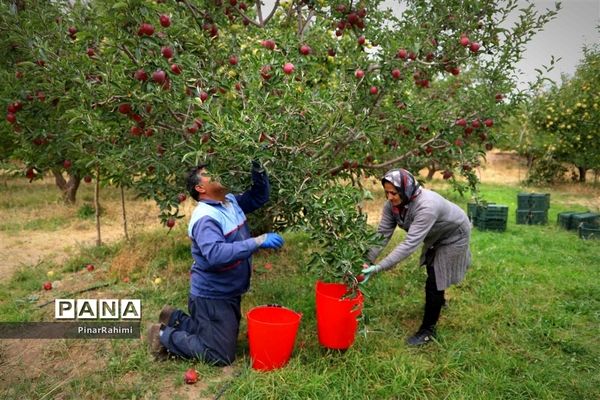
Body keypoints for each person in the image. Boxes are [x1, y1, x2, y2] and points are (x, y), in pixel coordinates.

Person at [147, 161, 284, 365]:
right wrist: (257, 241)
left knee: (223, 338)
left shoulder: (229, 202)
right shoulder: (205, 218)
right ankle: (162, 336)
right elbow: (216, 254)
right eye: (209, 173)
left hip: (228, 290)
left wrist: (259, 169)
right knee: (221, 355)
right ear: (200, 188)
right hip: (212, 295)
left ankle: (174, 318)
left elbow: (258, 196)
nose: (217, 173)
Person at [361, 168, 471, 346]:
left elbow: (409, 244)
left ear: (406, 189)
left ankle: (428, 330)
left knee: (435, 279)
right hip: (435, 234)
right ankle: (439, 301)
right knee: (431, 265)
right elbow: (381, 235)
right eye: (386, 192)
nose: (389, 197)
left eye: (393, 193)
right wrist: (366, 261)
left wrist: (379, 267)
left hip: (453, 234)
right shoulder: (392, 206)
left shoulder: (426, 206)